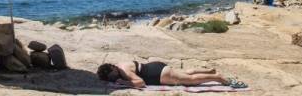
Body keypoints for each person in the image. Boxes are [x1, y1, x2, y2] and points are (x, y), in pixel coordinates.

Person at [96, 61, 247, 89]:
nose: (113, 79)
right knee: (184, 73)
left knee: (191, 81)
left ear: (112, 71)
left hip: (158, 75)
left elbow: (140, 83)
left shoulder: (123, 72)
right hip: (157, 67)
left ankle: (219, 78)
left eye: (111, 77)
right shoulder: (119, 64)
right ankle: (208, 71)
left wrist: (124, 83)